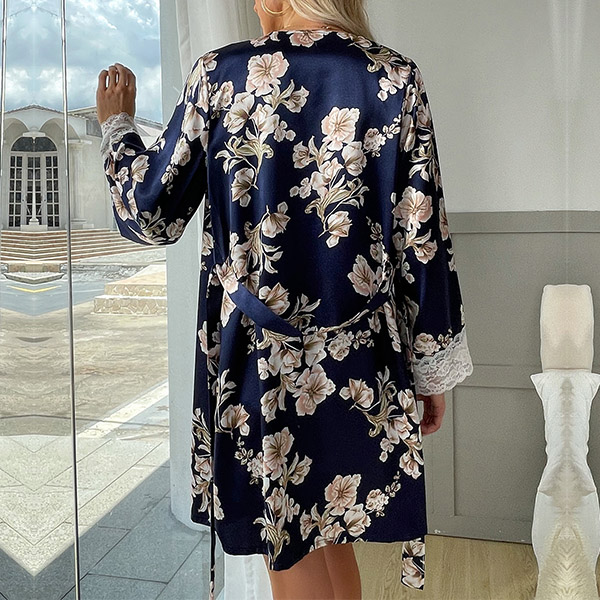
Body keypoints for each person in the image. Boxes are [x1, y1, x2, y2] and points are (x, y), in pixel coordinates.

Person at [96, 0, 474, 598]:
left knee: (288, 544)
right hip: (362, 362)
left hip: (259, 363)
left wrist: (117, 127)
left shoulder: (220, 76)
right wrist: (429, 371)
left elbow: (151, 213)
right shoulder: (396, 78)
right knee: (329, 531)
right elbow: (421, 238)